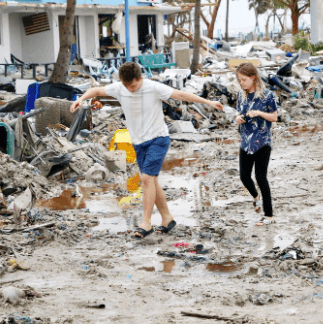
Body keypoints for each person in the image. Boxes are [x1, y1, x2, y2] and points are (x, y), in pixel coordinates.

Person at [70, 62, 224, 238]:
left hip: (158, 139)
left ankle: (146, 223)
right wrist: (81, 99)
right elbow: (96, 91)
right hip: (138, 142)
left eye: (133, 85)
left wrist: (208, 102)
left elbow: (181, 94)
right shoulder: (121, 88)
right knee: (152, 181)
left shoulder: (153, 87)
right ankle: (167, 218)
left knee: (146, 179)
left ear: (140, 78)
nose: (130, 89)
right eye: (126, 86)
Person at [234, 63, 277, 226]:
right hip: (246, 141)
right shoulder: (241, 95)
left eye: (244, 79)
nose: (241, 83)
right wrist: (238, 118)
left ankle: (269, 216)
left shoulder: (267, 96)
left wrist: (259, 113)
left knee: (260, 177)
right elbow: (239, 113)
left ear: (253, 77)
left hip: (262, 141)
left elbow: (274, 117)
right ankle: (255, 196)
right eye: (239, 80)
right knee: (244, 176)